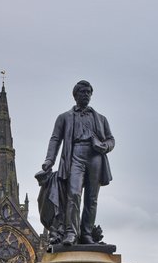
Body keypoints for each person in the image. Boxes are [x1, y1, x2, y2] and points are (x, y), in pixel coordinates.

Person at [40, 80, 115, 246]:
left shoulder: (101, 119)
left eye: (89, 92)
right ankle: (71, 233)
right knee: (73, 194)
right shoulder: (64, 117)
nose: (86, 95)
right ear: (75, 95)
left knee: (92, 198)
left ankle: (87, 234)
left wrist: (104, 146)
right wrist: (49, 160)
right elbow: (55, 139)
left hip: (95, 157)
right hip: (75, 155)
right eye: (83, 92)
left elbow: (111, 139)